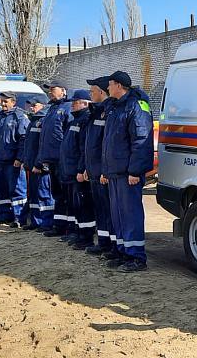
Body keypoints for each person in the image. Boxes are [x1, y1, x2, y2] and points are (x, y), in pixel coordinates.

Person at [100, 71, 154, 273]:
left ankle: (136, 257)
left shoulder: (136, 106)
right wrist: (106, 170)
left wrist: (135, 170)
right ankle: (123, 252)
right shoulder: (116, 107)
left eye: (110, 84)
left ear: (120, 86)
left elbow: (141, 140)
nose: (108, 88)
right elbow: (109, 143)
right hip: (115, 172)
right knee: (119, 215)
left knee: (130, 215)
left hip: (127, 173)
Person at [83, 77, 115, 258]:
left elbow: (107, 145)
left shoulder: (108, 112)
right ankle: (103, 243)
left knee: (109, 211)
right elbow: (90, 145)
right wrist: (88, 167)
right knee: (100, 210)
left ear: (102, 92)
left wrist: (105, 170)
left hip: (103, 172)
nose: (90, 94)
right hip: (93, 170)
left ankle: (112, 245)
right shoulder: (95, 112)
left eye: (92, 91)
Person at [36, 80, 72, 237]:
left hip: (62, 161)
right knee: (57, 195)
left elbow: (69, 137)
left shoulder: (67, 108)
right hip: (51, 160)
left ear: (63, 91)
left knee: (66, 195)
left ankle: (68, 228)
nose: (50, 92)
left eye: (53, 89)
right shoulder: (51, 109)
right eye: (49, 90)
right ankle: (59, 226)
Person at [60, 89, 95, 249]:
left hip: (78, 172)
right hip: (70, 171)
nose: (72, 105)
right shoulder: (74, 120)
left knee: (83, 206)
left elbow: (83, 149)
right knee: (75, 205)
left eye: (75, 102)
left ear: (85, 103)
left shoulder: (85, 120)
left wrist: (81, 170)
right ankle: (78, 233)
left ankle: (85, 237)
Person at [0, 91, 28, 227]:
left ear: (13, 102)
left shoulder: (19, 117)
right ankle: (3, 215)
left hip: (13, 162)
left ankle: (19, 218)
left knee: (17, 190)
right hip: (0, 160)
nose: (3, 104)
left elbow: (23, 139)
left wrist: (19, 158)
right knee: (1, 190)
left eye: (6, 101)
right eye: (2, 101)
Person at [19, 95, 52, 231]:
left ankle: (47, 222)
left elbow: (43, 145)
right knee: (33, 195)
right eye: (31, 106)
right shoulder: (33, 121)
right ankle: (35, 221)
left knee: (44, 195)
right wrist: (26, 161)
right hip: (31, 166)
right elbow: (29, 145)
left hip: (40, 167)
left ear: (43, 105)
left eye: (35, 105)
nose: (32, 108)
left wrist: (40, 164)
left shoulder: (44, 121)